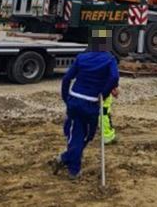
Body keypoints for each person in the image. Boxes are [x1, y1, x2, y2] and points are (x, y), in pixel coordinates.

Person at [50, 28, 119, 180]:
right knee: (86, 135)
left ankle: (69, 163)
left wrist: (66, 98)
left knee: (78, 135)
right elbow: (114, 77)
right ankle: (69, 165)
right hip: (91, 103)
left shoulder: (82, 57)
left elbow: (66, 78)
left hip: (75, 100)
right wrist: (104, 92)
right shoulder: (109, 59)